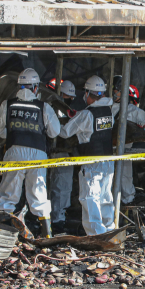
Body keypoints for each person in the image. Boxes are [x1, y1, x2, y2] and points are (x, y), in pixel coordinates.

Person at [0, 68, 61, 238]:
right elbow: (55, 132)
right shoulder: (43, 107)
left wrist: (14, 134)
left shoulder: (8, 105)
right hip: (38, 154)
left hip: (14, 151)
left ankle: (4, 233)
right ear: (36, 88)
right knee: (38, 193)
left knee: (8, 193)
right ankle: (46, 235)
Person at [59, 75, 115, 235]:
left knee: (90, 198)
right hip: (108, 161)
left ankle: (96, 234)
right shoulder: (109, 111)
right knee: (105, 197)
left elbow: (64, 132)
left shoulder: (86, 114)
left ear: (88, 93)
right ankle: (109, 230)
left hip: (92, 162)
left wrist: (52, 121)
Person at [112, 80, 145, 205]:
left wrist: (141, 127)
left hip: (123, 151)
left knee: (124, 179)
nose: (115, 95)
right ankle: (124, 203)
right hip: (112, 151)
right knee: (123, 179)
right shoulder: (111, 107)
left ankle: (125, 206)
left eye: (117, 92)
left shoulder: (135, 112)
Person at [49, 80, 78, 234]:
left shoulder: (69, 112)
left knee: (62, 188)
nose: (69, 100)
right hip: (51, 152)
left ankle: (58, 220)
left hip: (63, 153)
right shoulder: (50, 109)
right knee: (53, 188)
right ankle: (54, 220)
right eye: (67, 96)